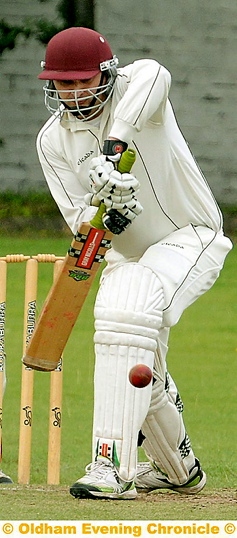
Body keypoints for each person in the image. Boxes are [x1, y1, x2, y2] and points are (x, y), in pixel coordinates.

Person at [36, 26, 232, 500]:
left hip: (191, 235)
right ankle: (177, 469)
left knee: (127, 306)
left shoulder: (136, 85)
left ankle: (111, 467)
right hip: (127, 252)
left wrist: (113, 152)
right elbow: (81, 222)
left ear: (106, 73)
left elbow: (156, 73)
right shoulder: (52, 141)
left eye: (83, 81)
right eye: (63, 84)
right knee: (131, 345)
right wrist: (109, 211)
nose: (74, 92)